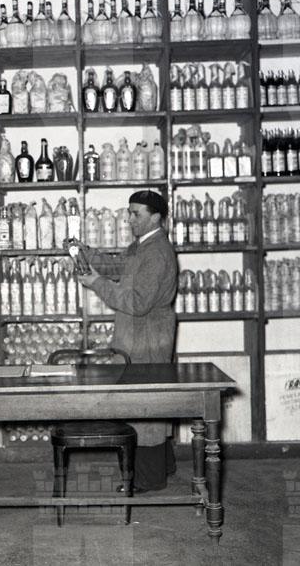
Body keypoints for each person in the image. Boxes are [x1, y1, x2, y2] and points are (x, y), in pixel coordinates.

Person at [76, 189, 178, 492]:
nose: (130, 219)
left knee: (143, 405)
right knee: (148, 404)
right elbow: (118, 267)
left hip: (147, 337)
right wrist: (84, 252)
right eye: (129, 213)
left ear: (155, 217)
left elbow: (137, 302)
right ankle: (164, 466)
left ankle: (148, 479)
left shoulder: (156, 252)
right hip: (137, 334)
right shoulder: (143, 245)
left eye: (136, 214)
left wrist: (96, 283)